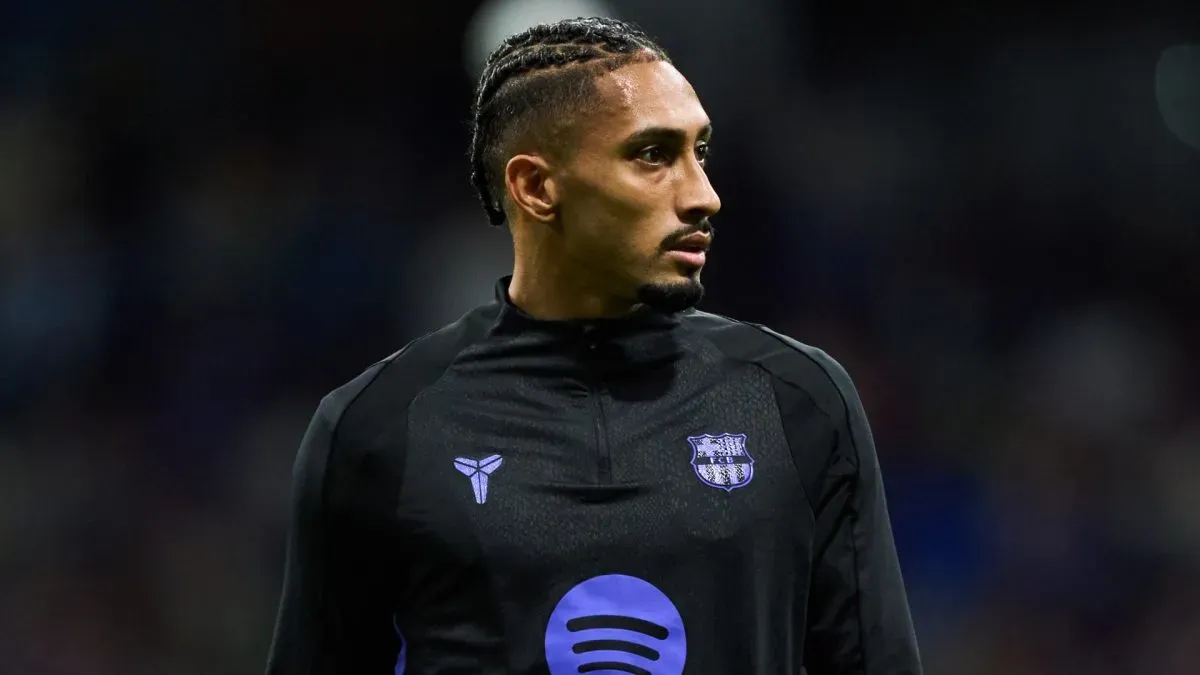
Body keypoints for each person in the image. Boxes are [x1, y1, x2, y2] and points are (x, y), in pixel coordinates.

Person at [266, 16, 922, 675]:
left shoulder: (799, 404)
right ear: (536, 187)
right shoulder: (379, 428)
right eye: (653, 155)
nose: (704, 195)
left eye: (701, 153)